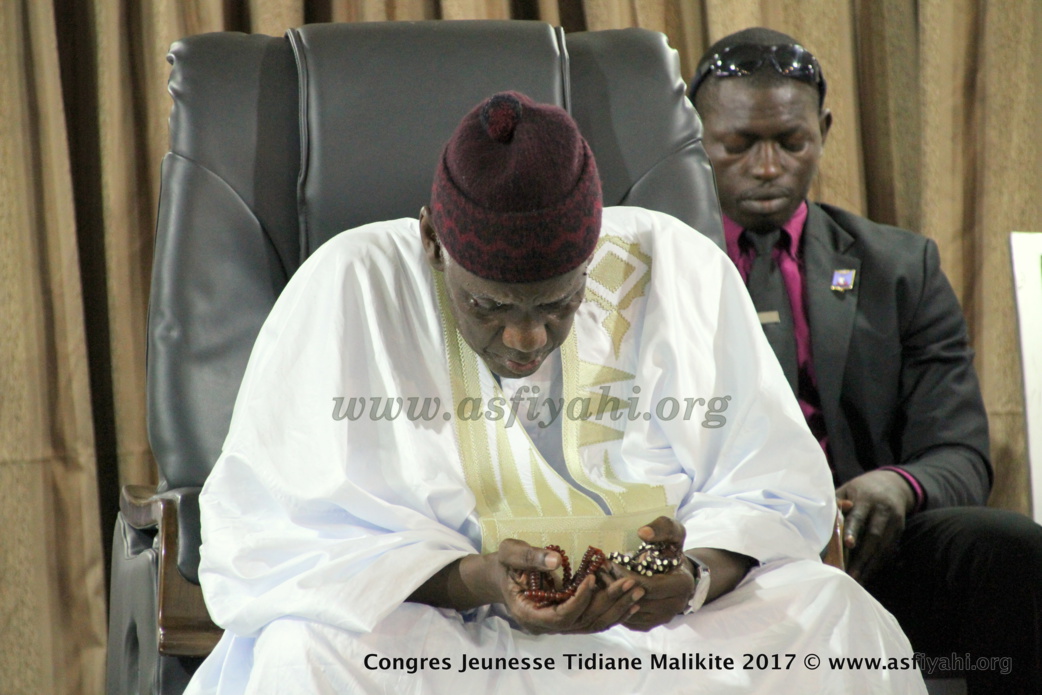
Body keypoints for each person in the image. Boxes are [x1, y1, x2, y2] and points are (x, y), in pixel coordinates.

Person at [184, 91, 925, 693]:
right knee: (303, 653)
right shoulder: (351, 284)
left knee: (835, 620)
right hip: (449, 641)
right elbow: (274, 534)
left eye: (558, 304)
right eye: (489, 307)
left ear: (595, 247)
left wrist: (691, 578)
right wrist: (478, 579)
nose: (527, 339)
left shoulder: (675, 265)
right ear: (433, 242)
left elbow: (773, 488)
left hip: (658, 640)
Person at [690, 26, 1042, 694]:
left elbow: (960, 452)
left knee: (1008, 547)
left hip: (866, 545)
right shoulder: (659, 269)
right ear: (696, 134)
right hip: (724, 555)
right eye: (738, 144)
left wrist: (896, 487)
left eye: (791, 142)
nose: (766, 166)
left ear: (823, 131)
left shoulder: (901, 267)